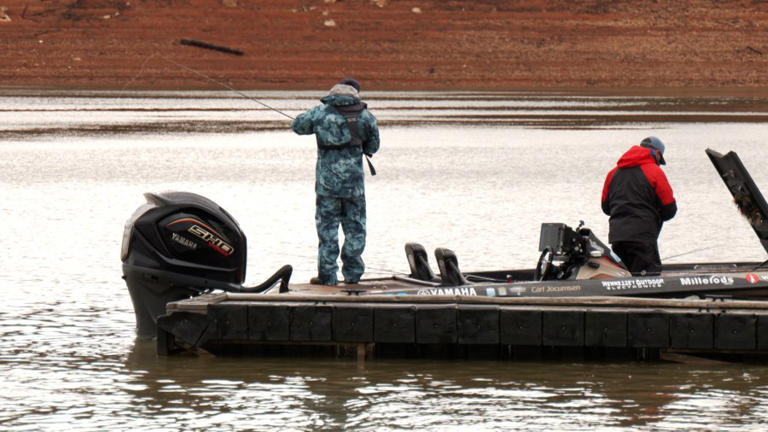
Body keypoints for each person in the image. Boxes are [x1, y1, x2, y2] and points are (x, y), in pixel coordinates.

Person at [291, 78, 380, 285]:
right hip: (354, 186)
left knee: (327, 230)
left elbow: (297, 126)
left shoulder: (320, 113)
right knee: (355, 229)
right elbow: (373, 147)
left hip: (326, 185)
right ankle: (353, 275)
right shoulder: (366, 117)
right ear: (356, 93)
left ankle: (327, 276)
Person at [601, 136, 677, 275]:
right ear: (657, 154)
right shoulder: (654, 171)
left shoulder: (612, 173)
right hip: (643, 237)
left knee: (623, 277)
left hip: (618, 236)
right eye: (660, 160)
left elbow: (606, 207)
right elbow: (669, 208)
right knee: (649, 277)